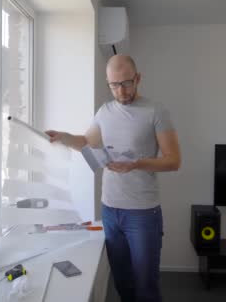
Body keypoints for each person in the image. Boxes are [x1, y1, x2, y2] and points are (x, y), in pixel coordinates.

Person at [45, 55, 181, 302]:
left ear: (138, 78)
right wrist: (63, 137)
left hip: (142, 213)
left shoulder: (155, 111)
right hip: (110, 209)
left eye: (127, 83)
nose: (121, 90)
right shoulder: (104, 112)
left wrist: (137, 164)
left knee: (146, 285)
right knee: (122, 281)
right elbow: (87, 142)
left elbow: (173, 160)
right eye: (114, 85)